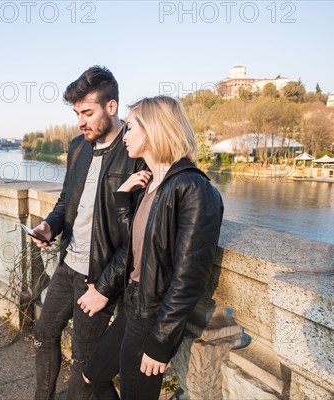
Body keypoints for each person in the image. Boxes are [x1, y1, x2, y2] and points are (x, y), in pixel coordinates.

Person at [79, 96, 224, 399]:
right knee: (92, 375)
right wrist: (122, 198)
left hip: (153, 319)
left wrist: (160, 341)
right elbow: (132, 249)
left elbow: (189, 278)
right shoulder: (149, 185)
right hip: (133, 305)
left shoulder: (193, 188)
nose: (125, 135)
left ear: (153, 130)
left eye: (130, 128)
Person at [31, 66, 145, 400]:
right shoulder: (78, 147)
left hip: (99, 276)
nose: (80, 121)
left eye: (87, 112)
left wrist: (106, 287)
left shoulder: (136, 153)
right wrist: (50, 226)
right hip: (68, 263)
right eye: (76, 113)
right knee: (43, 334)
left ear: (111, 107)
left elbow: (137, 237)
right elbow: (67, 200)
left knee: (84, 364)